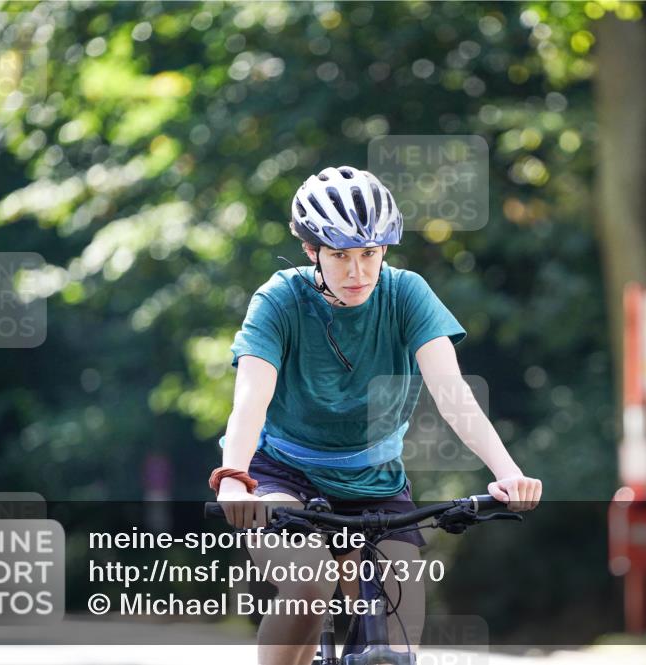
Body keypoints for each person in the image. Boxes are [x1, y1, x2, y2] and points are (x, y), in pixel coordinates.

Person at [212, 165, 542, 665]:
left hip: (375, 484)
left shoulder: (406, 293)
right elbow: (251, 399)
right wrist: (234, 479)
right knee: (309, 585)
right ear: (311, 250)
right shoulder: (279, 300)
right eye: (340, 255)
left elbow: (451, 392)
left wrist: (508, 475)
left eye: (369, 254)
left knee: (395, 642)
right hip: (280, 474)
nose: (357, 272)